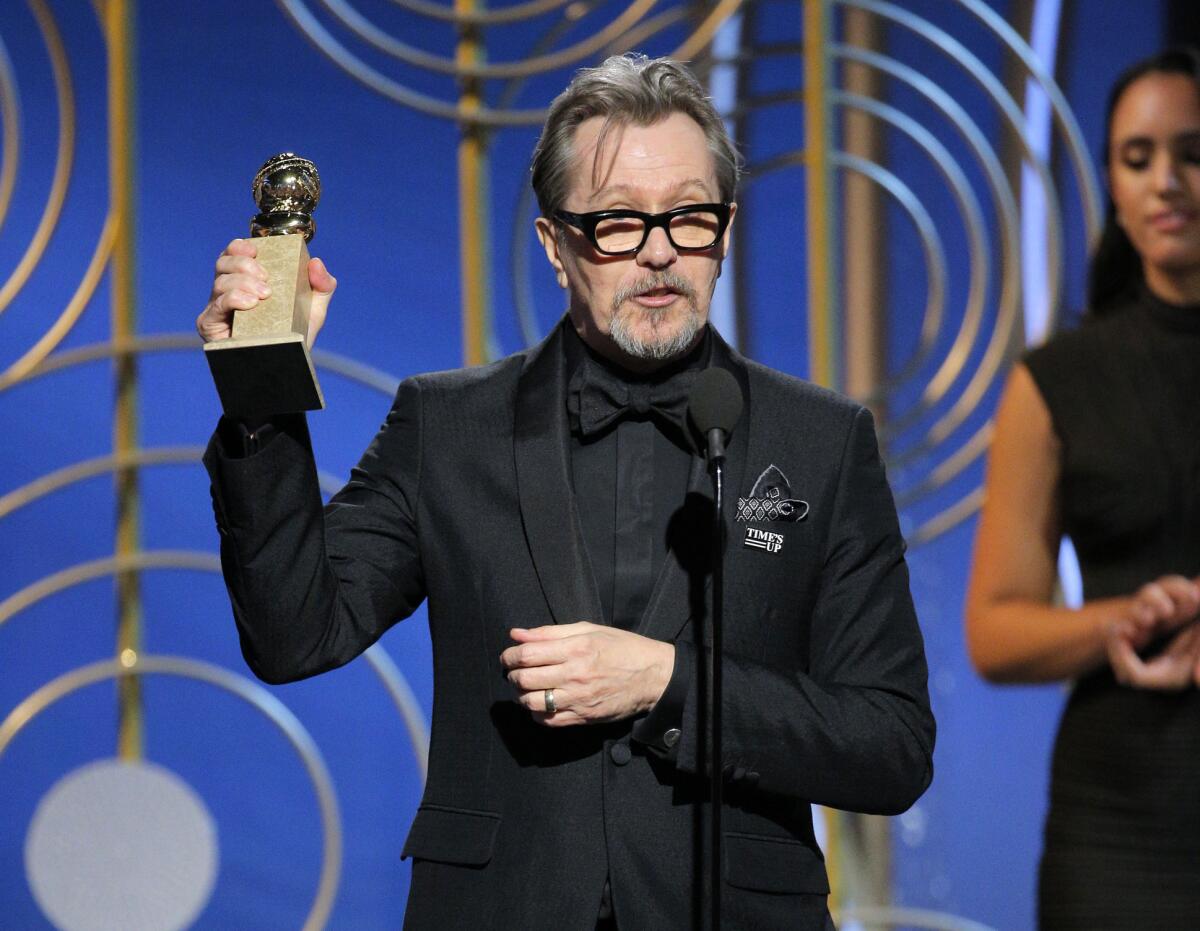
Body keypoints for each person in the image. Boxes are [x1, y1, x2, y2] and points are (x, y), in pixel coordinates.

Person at [199, 54, 934, 930]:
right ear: (555, 244)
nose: (660, 251)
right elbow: (294, 635)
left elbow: (890, 745)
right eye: (618, 221)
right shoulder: (448, 425)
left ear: (726, 232)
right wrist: (262, 389)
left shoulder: (819, 441)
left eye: (689, 218)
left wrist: (667, 681)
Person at [965, 47, 1200, 930]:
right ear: (1110, 179)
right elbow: (993, 629)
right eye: (1137, 158)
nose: (1167, 181)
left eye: (1193, 152)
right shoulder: (1055, 380)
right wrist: (1127, 619)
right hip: (1118, 826)